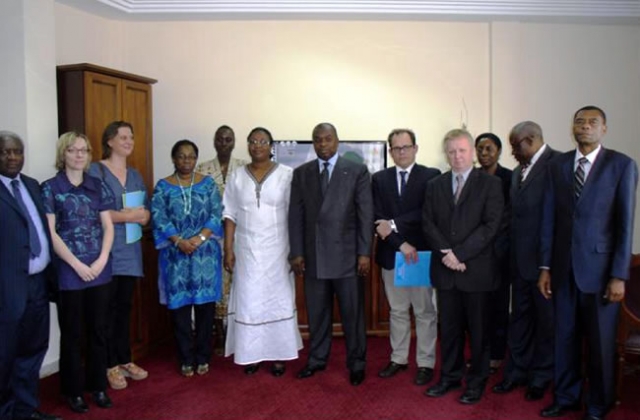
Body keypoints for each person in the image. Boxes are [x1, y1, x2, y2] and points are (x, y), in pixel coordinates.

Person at [538, 106, 638, 420]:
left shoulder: (621, 165)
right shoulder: (558, 165)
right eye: (580, 122)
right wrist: (545, 267)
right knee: (564, 339)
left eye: (593, 122)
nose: (585, 127)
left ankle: (599, 403)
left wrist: (619, 275)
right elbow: (549, 218)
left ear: (604, 129)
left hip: (601, 273)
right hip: (563, 270)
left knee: (601, 344)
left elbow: (625, 224)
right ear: (573, 128)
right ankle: (566, 397)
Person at [422, 128, 503, 404]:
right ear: (447, 154)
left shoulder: (490, 185)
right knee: (450, 329)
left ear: (473, 153)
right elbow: (427, 223)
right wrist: (448, 254)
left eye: (462, 151)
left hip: (476, 271)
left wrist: (460, 254)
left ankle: (477, 382)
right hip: (446, 271)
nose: (457, 156)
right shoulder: (435, 185)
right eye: (452, 151)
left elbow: (491, 226)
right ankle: (450, 377)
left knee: (479, 332)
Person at [289, 122, 373, 386]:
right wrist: (297, 253)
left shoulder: (357, 170)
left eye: (327, 139)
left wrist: (364, 253)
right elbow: (296, 216)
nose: (322, 144)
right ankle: (317, 359)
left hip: (348, 257)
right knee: (317, 313)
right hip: (313, 257)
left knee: (353, 315)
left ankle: (357, 363)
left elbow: (365, 214)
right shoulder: (302, 173)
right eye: (317, 140)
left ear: (337, 141)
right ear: (313, 143)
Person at [42, 132, 115, 414]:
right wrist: (77, 264)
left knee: (99, 331)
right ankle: (72, 391)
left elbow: (108, 226)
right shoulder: (50, 188)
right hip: (69, 271)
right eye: (73, 150)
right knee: (72, 334)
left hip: (100, 269)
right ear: (63, 154)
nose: (79, 155)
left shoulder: (97, 186)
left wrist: (101, 260)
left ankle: (98, 386)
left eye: (84, 150)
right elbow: (51, 232)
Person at [223, 127, 302, 376]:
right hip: (246, 251)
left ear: (271, 146)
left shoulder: (287, 175)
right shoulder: (236, 176)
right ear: (247, 145)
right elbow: (229, 214)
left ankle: (279, 354)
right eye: (253, 141)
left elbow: (296, 215)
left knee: (277, 300)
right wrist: (228, 249)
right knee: (249, 301)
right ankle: (251, 354)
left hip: (279, 250)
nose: (257, 145)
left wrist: (296, 252)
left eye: (263, 141)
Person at [492, 121, 560, 401]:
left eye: (515, 146)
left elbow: (558, 220)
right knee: (519, 319)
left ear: (530, 140)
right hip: (518, 264)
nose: (512, 152)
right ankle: (517, 371)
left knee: (546, 323)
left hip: (545, 266)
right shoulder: (520, 172)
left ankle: (541, 376)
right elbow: (512, 217)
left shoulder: (557, 164)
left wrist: (548, 264)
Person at [0, 131, 61, 420]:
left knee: (33, 350)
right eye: (5, 152)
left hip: (38, 284)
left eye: (17, 152)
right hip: (6, 289)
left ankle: (25, 411)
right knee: (4, 357)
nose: (12, 157)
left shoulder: (32, 185)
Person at [372, 129, 440, 386]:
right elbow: (378, 221)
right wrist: (401, 244)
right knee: (398, 311)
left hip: (420, 255)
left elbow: (427, 213)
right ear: (390, 151)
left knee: (424, 312)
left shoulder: (431, 176)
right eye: (396, 148)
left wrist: (394, 224)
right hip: (394, 255)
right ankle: (398, 358)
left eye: (406, 147)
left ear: (415, 148)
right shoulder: (379, 179)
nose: (401, 152)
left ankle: (425, 362)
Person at [151, 139, 223, 378]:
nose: (186, 161)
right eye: (181, 156)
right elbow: (159, 217)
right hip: (176, 257)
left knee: (205, 310)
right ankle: (185, 358)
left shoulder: (208, 184)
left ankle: (203, 356)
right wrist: (179, 241)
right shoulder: (163, 186)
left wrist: (200, 239)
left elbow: (216, 212)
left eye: (191, 156)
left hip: (205, 257)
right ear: (173, 159)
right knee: (180, 311)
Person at [88, 121, 150, 391]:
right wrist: (127, 216)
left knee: (124, 310)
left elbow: (145, 213)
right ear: (109, 141)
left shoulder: (135, 175)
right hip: (105, 253)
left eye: (131, 137)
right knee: (104, 312)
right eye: (123, 136)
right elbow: (93, 210)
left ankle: (125, 359)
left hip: (130, 252)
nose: (128, 141)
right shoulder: (96, 170)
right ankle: (108, 364)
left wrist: (140, 216)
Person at [196, 125, 247, 355]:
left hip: (240, 235)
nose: (224, 143)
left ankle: (239, 331)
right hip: (212, 236)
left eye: (228, 139)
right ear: (214, 142)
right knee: (215, 285)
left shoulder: (244, 168)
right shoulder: (202, 168)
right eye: (220, 139)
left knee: (239, 283)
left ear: (234, 142)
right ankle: (218, 333)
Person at [475, 132, 512, 374]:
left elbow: (508, 217)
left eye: (489, 149)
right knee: (478, 309)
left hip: (501, 255)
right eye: (480, 149)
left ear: (499, 151)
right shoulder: (472, 178)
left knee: (499, 307)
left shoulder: (510, 178)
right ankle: (481, 355)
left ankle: (498, 354)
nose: (484, 154)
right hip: (475, 256)